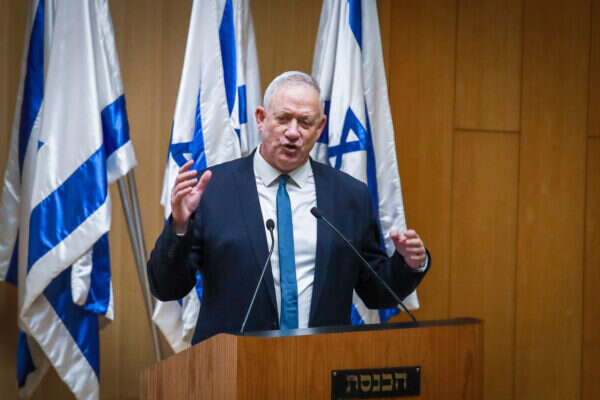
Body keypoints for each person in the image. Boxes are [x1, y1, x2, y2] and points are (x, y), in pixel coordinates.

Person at [147, 71, 430, 344]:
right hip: (234, 364)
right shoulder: (213, 190)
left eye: (305, 122)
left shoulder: (349, 196)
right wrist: (179, 225)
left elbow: (376, 292)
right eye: (283, 119)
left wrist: (409, 264)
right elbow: (167, 287)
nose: (293, 132)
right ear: (261, 118)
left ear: (320, 128)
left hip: (320, 362)